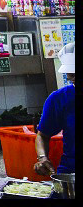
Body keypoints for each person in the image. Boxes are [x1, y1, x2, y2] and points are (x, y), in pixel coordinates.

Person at [34, 42, 74, 177]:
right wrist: (42, 158)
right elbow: (42, 135)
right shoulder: (59, 98)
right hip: (71, 171)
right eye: (72, 76)